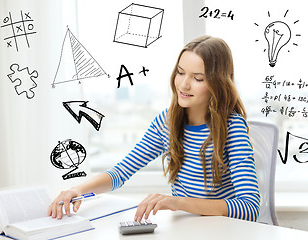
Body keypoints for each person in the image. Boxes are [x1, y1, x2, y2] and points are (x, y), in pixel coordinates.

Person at [48, 35, 260, 222]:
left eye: (197, 78)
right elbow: (121, 172)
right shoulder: (166, 122)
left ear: (218, 84)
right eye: (180, 72)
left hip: (223, 230)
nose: (184, 85)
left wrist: (179, 203)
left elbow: (249, 208)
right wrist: (77, 190)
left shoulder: (232, 128)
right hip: (185, 227)